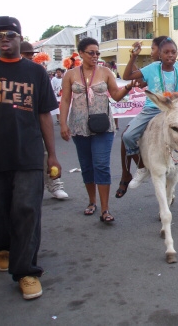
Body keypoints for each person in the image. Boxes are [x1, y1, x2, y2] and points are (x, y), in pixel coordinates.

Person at [0, 16, 62, 299]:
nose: (4, 38)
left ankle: (26, 271)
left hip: (28, 154)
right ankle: (3, 245)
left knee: (27, 211)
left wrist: (52, 155)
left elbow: (43, 115)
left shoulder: (36, 73)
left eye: (10, 34)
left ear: (19, 37)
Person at [60, 37, 132, 223]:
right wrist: (63, 124)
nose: (95, 56)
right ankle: (92, 202)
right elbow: (66, 100)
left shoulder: (106, 72)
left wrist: (129, 87)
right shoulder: (70, 75)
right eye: (91, 52)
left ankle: (105, 209)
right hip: (79, 127)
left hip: (103, 127)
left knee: (101, 164)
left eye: (97, 53)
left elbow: (115, 96)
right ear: (81, 53)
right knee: (87, 166)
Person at [116, 36, 178, 197]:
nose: (170, 55)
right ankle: (141, 167)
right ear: (160, 53)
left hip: (175, 110)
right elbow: (132, 77)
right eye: (165, 52)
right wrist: (133, 56)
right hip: (152, 110)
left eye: (173, 52)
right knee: (128, 136)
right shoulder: (152, 68)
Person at [20, 45, 69, 200]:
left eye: (31, 55)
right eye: (25, 55)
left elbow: (46, 108)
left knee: (46, 153)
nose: (29, 57)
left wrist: (61, 123)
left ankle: (55, 185)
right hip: (12, 125)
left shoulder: (36, 72)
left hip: (35, 122)